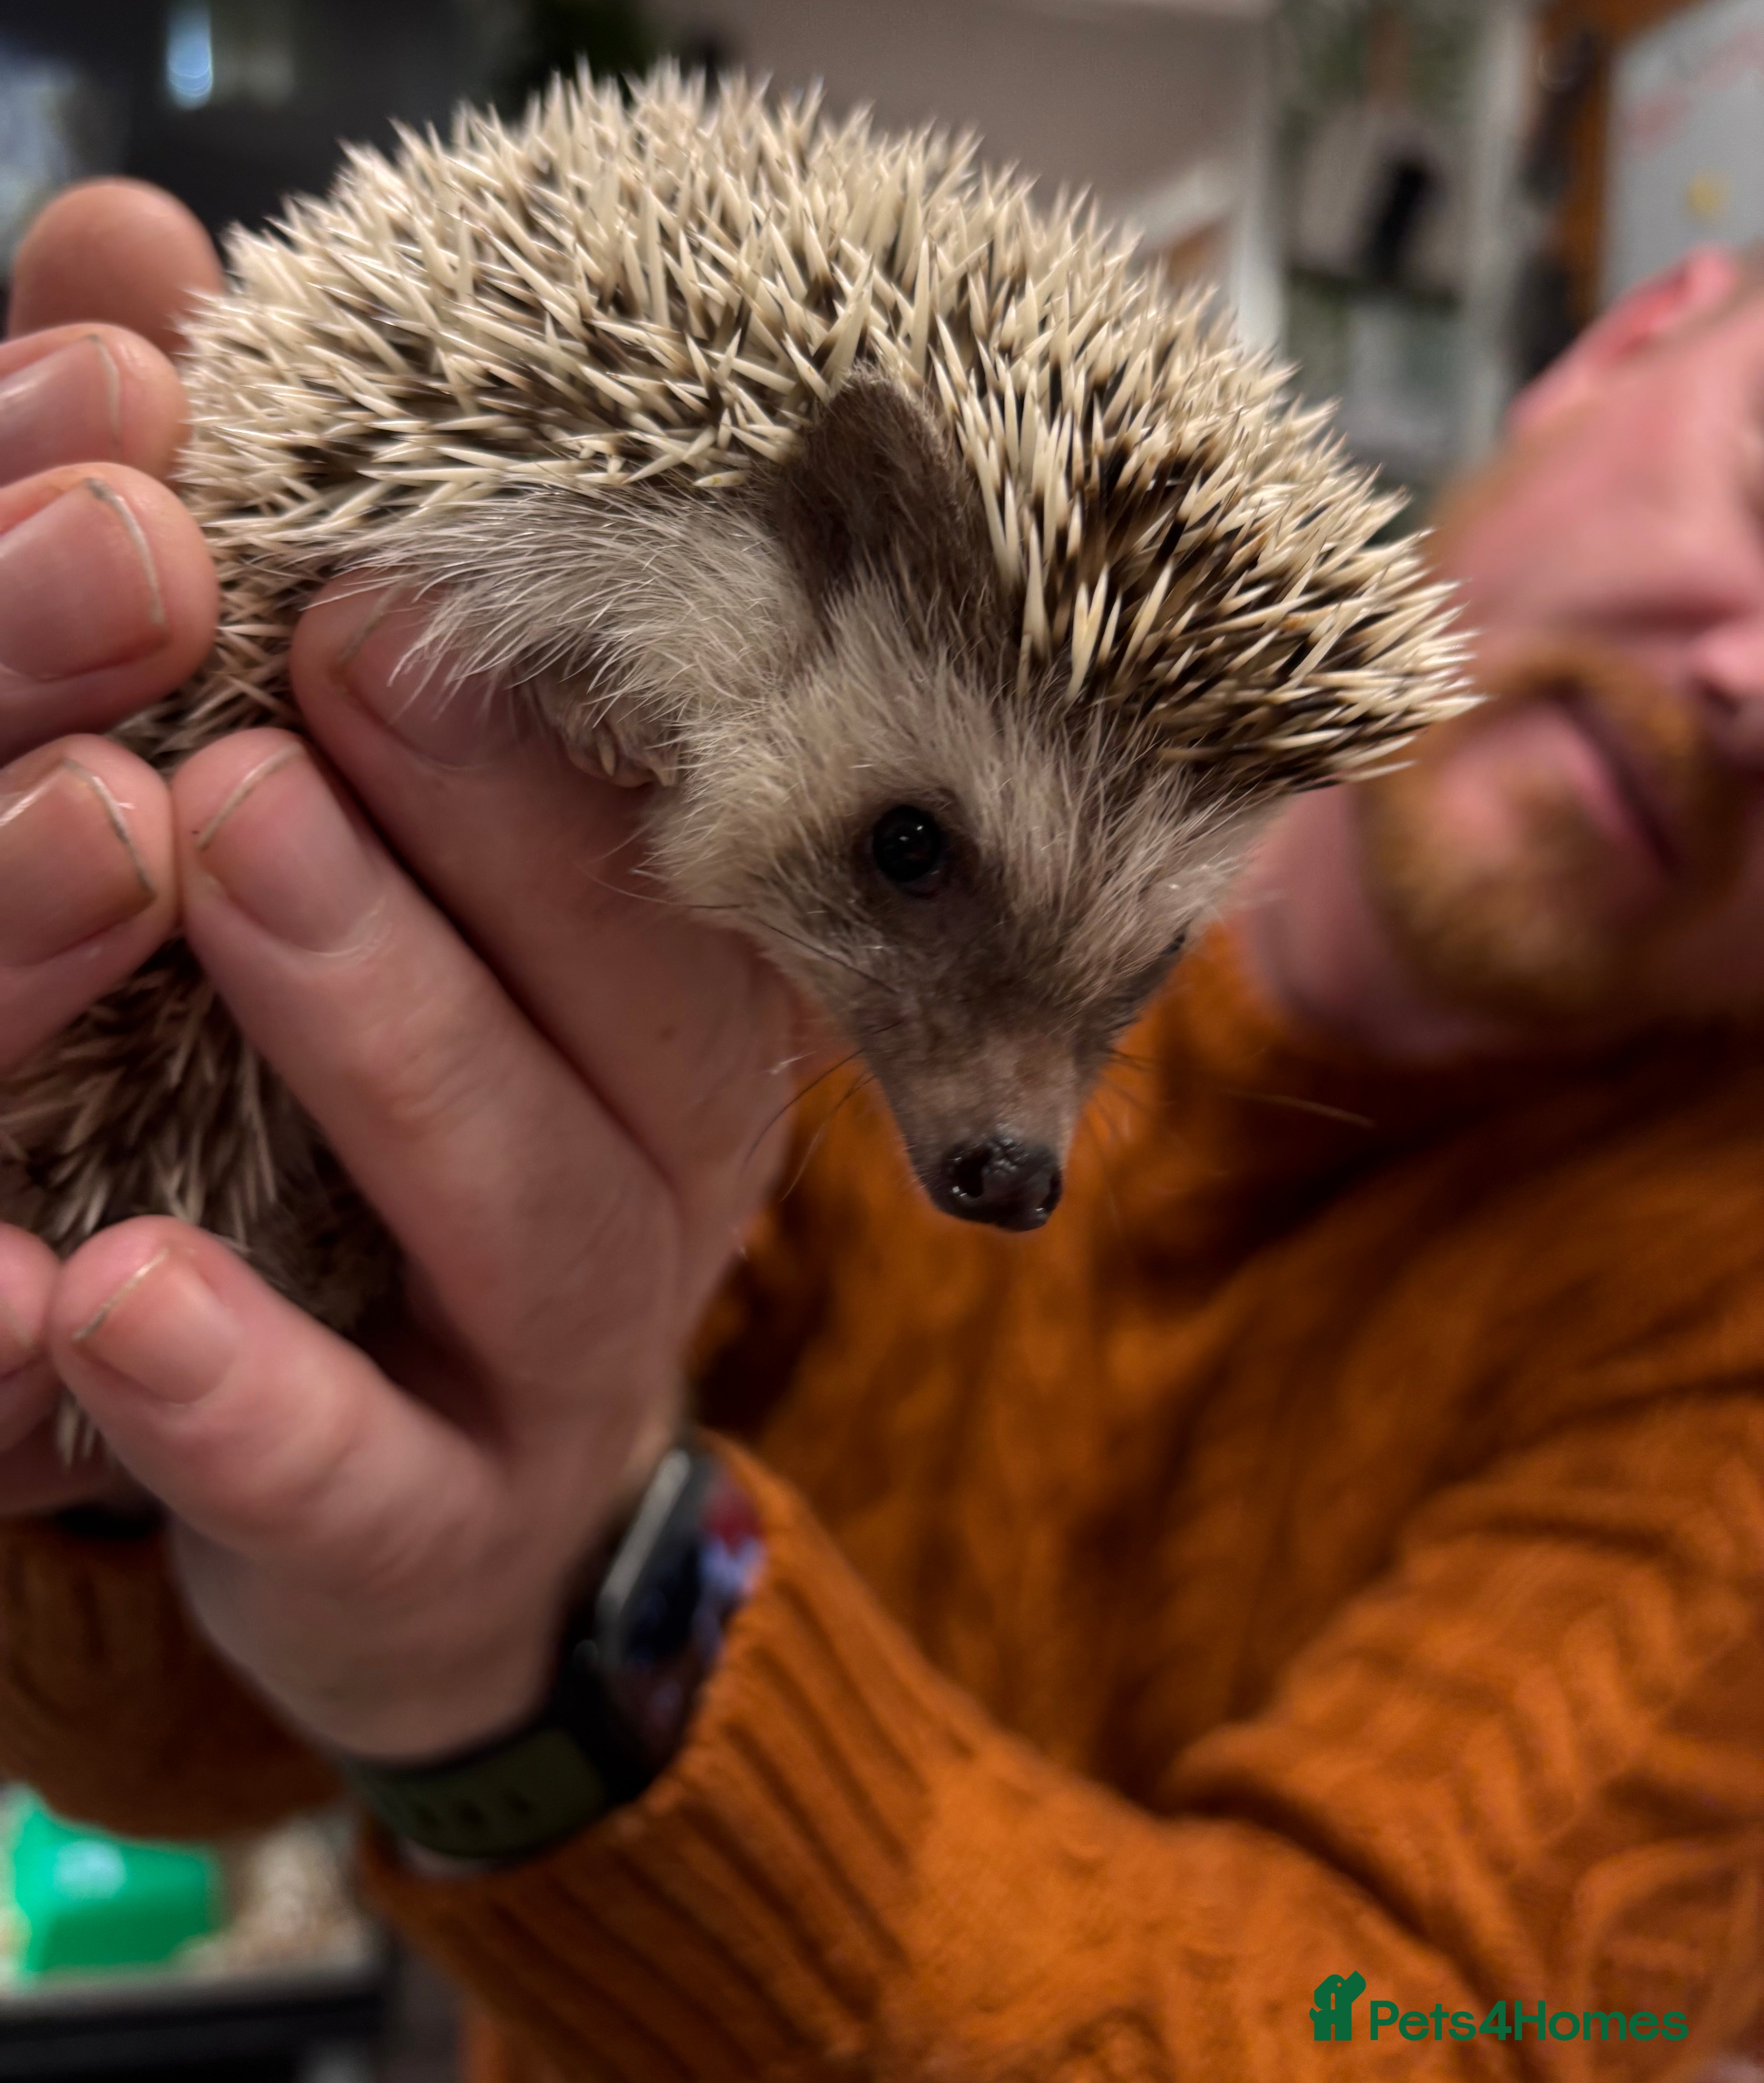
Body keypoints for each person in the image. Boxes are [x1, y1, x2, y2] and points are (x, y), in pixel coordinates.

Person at [0, 177, 1762, 2081]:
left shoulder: (1723, 1322)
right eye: (914, 854)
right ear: (1636, 336)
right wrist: (126, 1449)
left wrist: (561, 1637)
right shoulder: (648, 683)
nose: (1753, 691)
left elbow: (1438, 2042)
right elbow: (194, 1748)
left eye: (1133, 970)